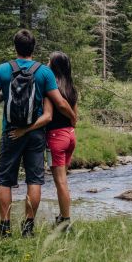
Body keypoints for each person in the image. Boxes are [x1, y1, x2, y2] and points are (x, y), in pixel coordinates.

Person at [0, 29, 78, 237]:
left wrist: (4, 95)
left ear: (15, 47)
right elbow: (60, 102)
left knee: (5, 181)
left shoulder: (3, 69)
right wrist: (73, 118)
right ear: (33, 48)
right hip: (36, 134)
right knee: (34, 181)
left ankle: (5, 228)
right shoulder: (44, 72)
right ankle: (28, 228)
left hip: (10, 132)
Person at [45, 51, 78, 229]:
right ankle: (62, 216)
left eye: (49, 61)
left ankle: (65, 222)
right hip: (70, 135)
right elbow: (75, 118)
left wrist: (72, 117)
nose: (47, 63)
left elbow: (60, 107)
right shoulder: (71, 88)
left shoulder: (52, 88)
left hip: (56, 137)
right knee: (63, 179)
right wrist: (73, 120)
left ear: (54, 65)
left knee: (60, 181)